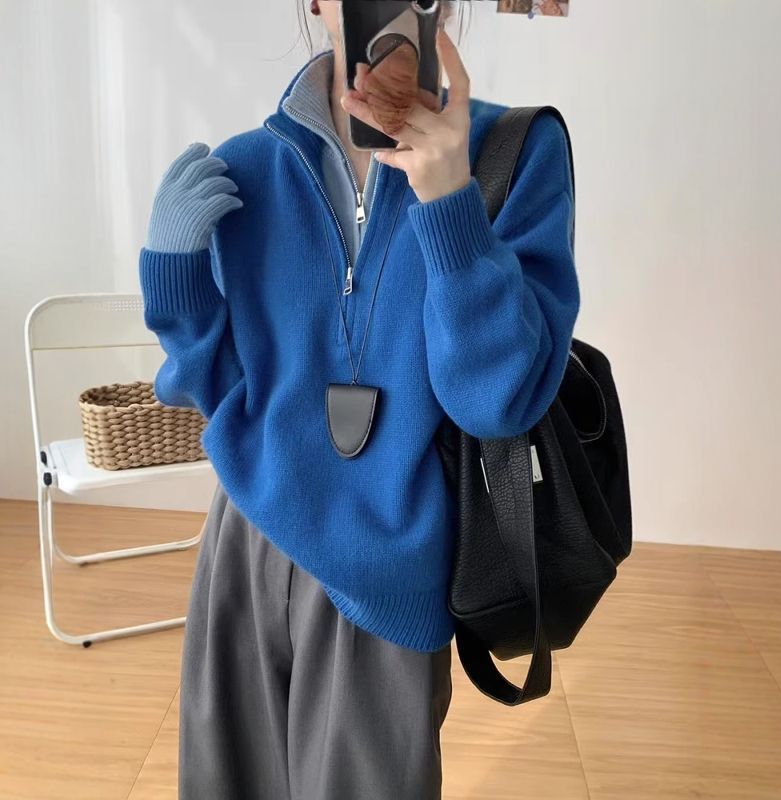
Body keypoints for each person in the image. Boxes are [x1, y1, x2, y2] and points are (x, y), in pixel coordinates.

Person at [138, 1, 580, 798]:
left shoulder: (515, 155)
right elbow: (212, 389)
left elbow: (500, 400)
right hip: (246, 543)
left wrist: (449, 202)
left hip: (388, 573)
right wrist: (175, 285)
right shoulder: (246, 170)